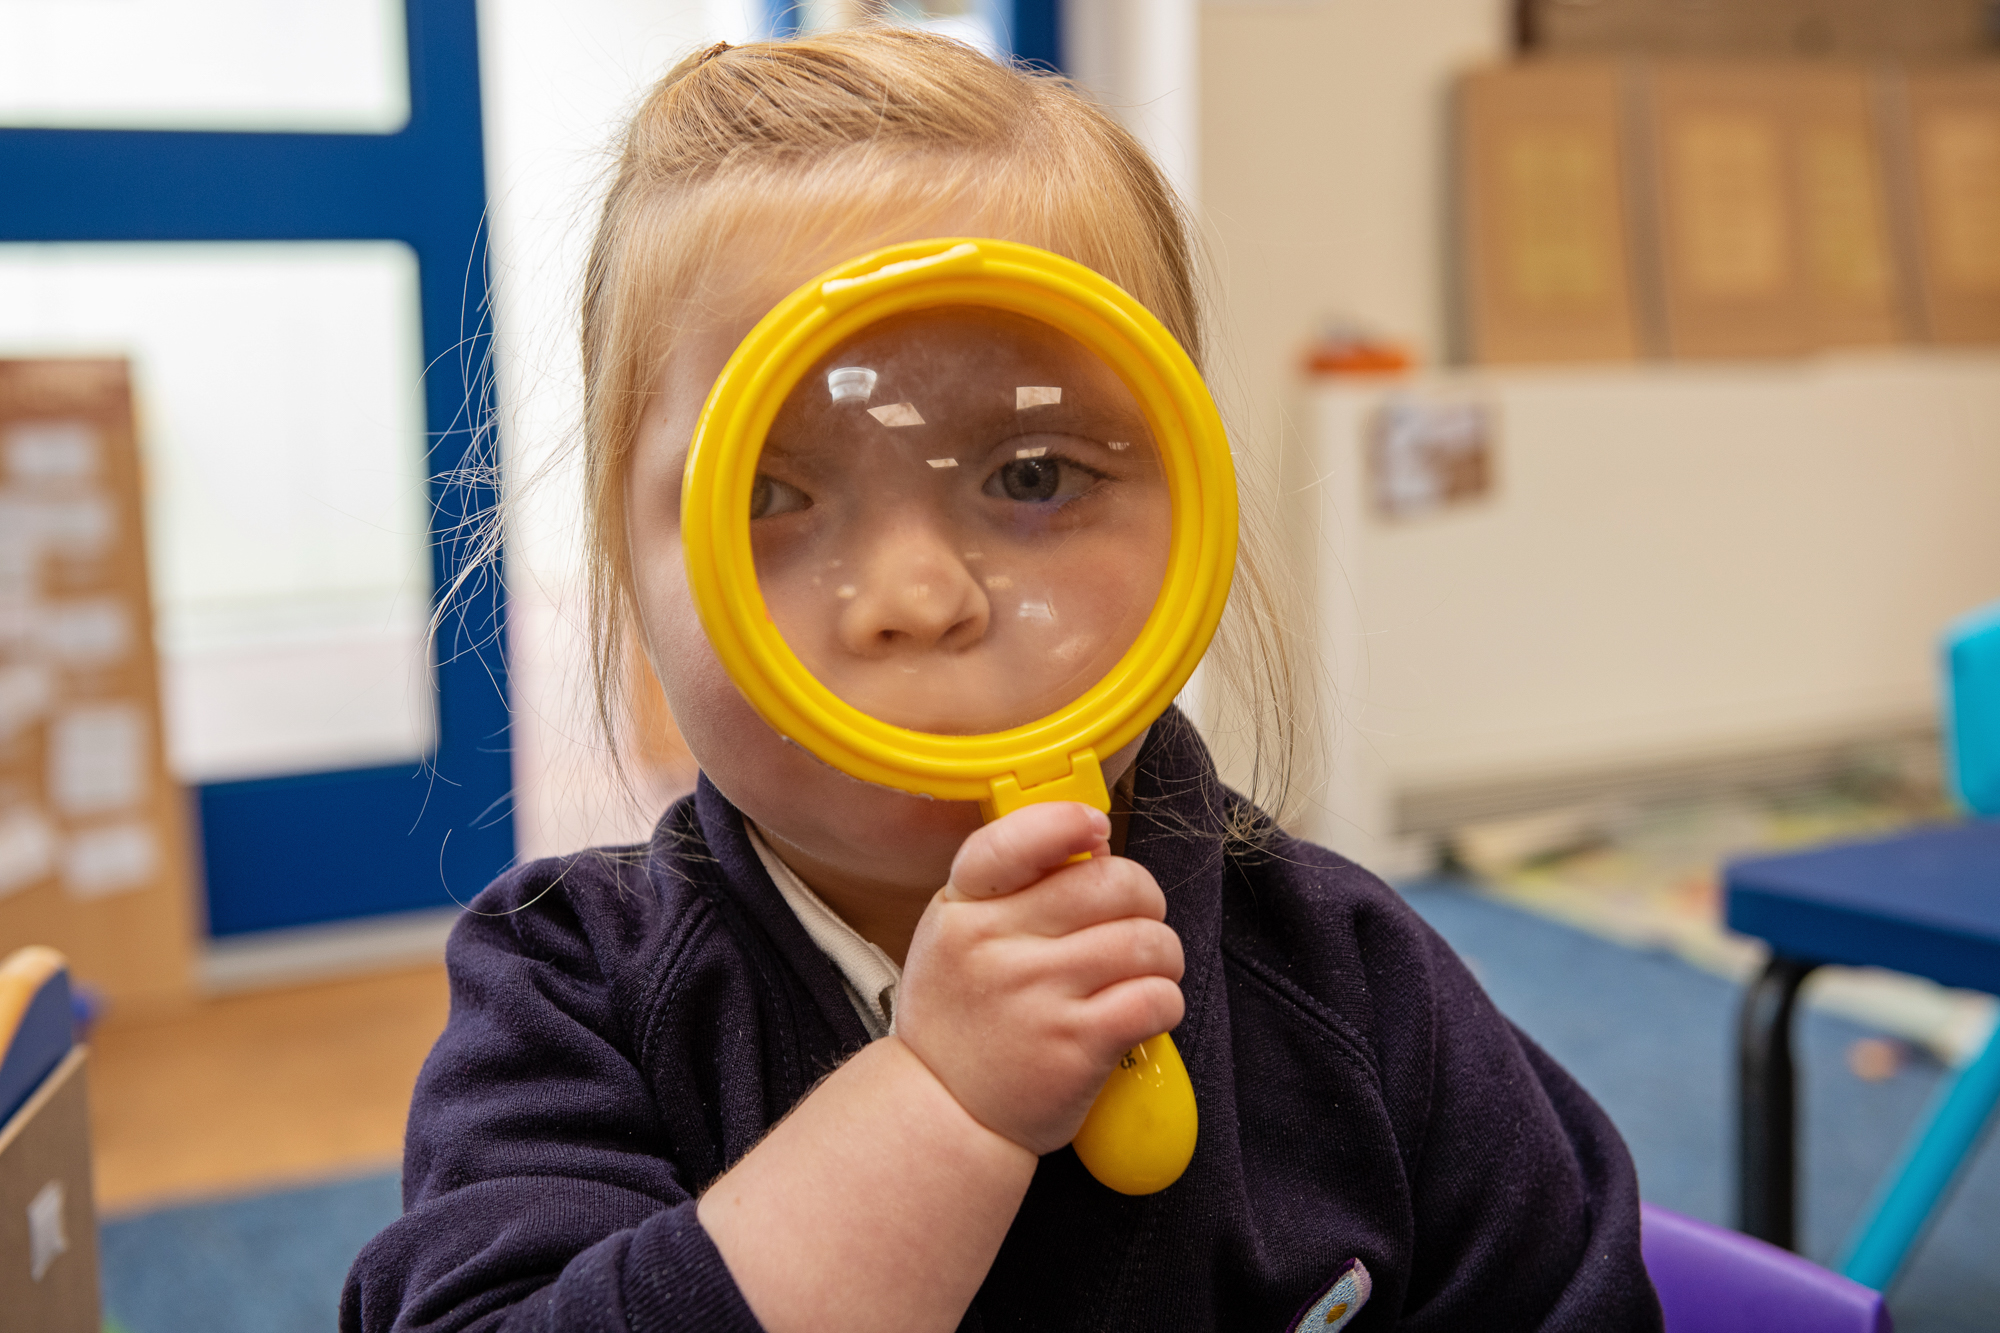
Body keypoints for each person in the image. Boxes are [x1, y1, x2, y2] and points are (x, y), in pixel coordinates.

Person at [343, 28, 1662, 1333]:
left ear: (1193, 518)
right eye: (768, 491)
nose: (920, 598)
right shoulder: (568, 997)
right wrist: (938, 1105)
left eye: (1033, 474)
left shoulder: (1357, 982)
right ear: (626, 568)